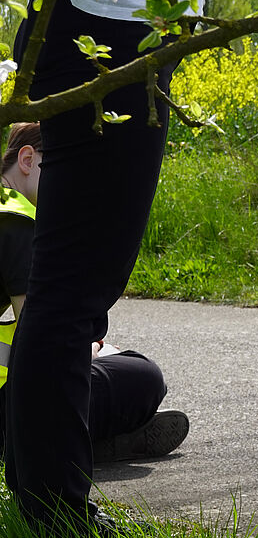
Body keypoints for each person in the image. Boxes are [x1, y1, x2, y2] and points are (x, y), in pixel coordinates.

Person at [1, 0, 203, 534]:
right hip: (103, 25)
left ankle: (38, 484)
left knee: (72, 280)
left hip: (94, 20)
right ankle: (53, 509)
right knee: (77, 281)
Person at [0, 123, 188, 467]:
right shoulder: (18, 224)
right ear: (27, 160)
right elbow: (41, 349)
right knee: (143, 377)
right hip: (10, 413)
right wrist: (92, 349)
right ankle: (85, 444)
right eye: (67, 171)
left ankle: (93, 440)